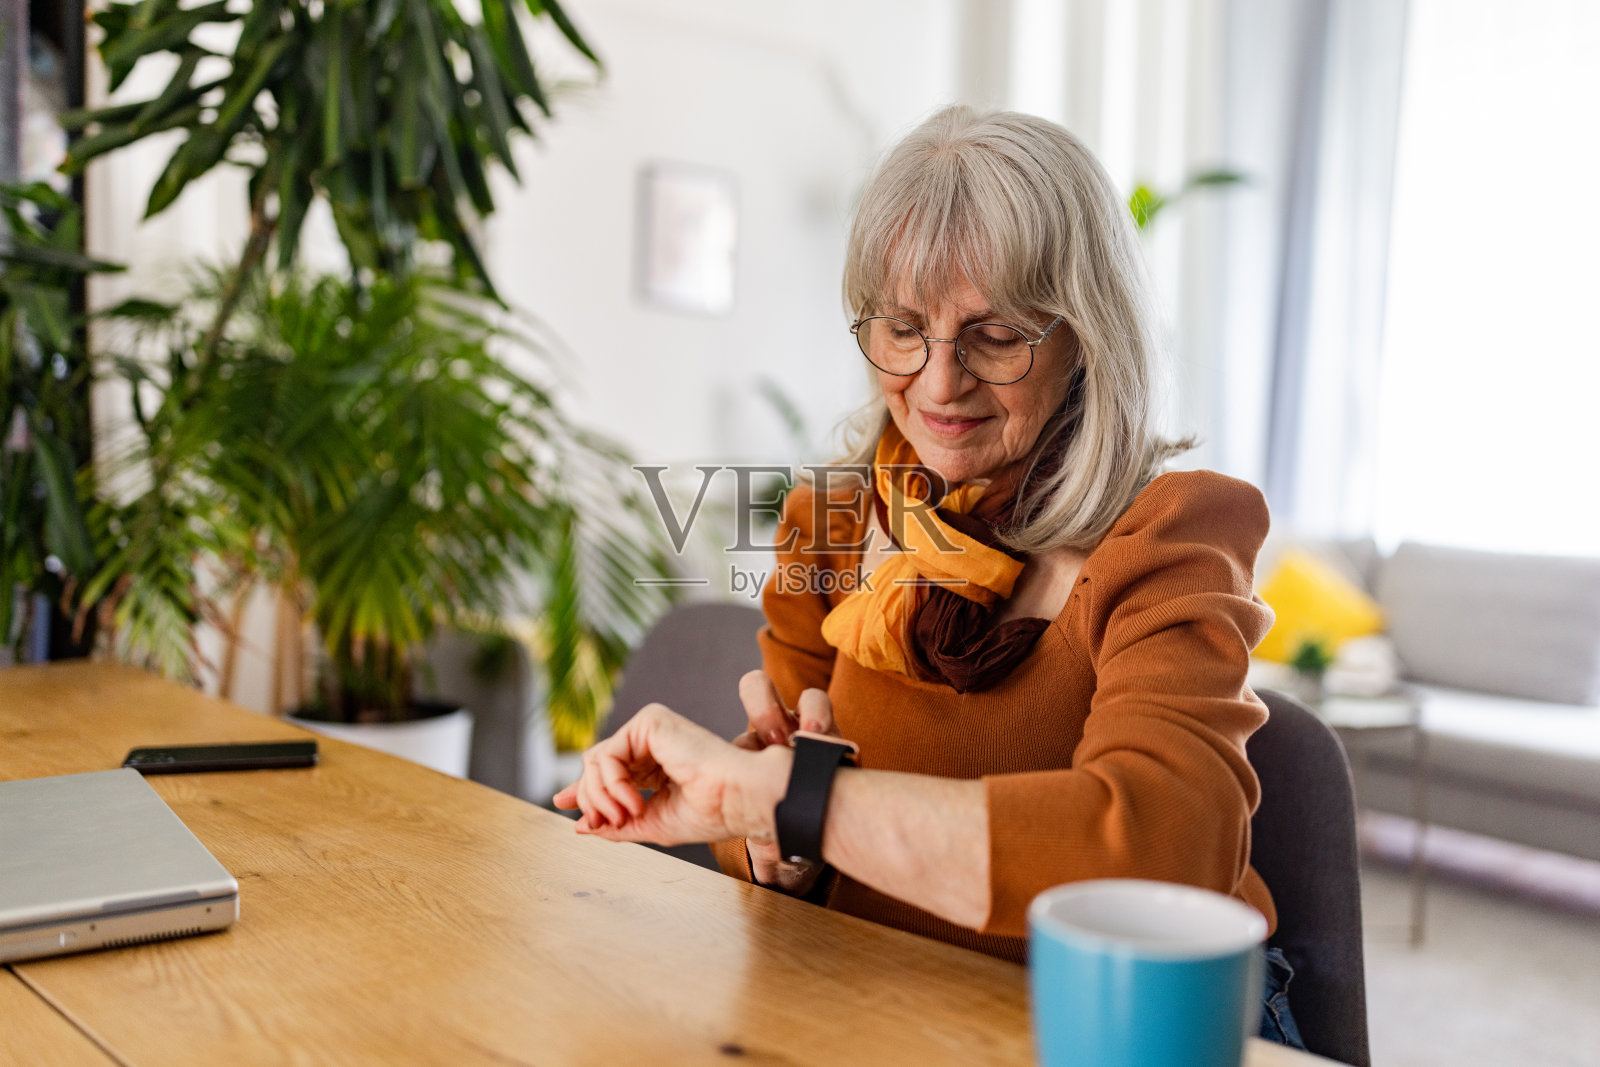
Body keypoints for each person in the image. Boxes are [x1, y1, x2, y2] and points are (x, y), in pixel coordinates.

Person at [554, 106, 1303, 1049]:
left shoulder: (1171, 533)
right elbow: (778, 846)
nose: (938, 383)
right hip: (877, 1005)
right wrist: (775, 836)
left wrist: (796, 800)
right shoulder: (825, 531)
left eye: (996, 336)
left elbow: (1164, 851)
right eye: (905, 329)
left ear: (1088, 338)